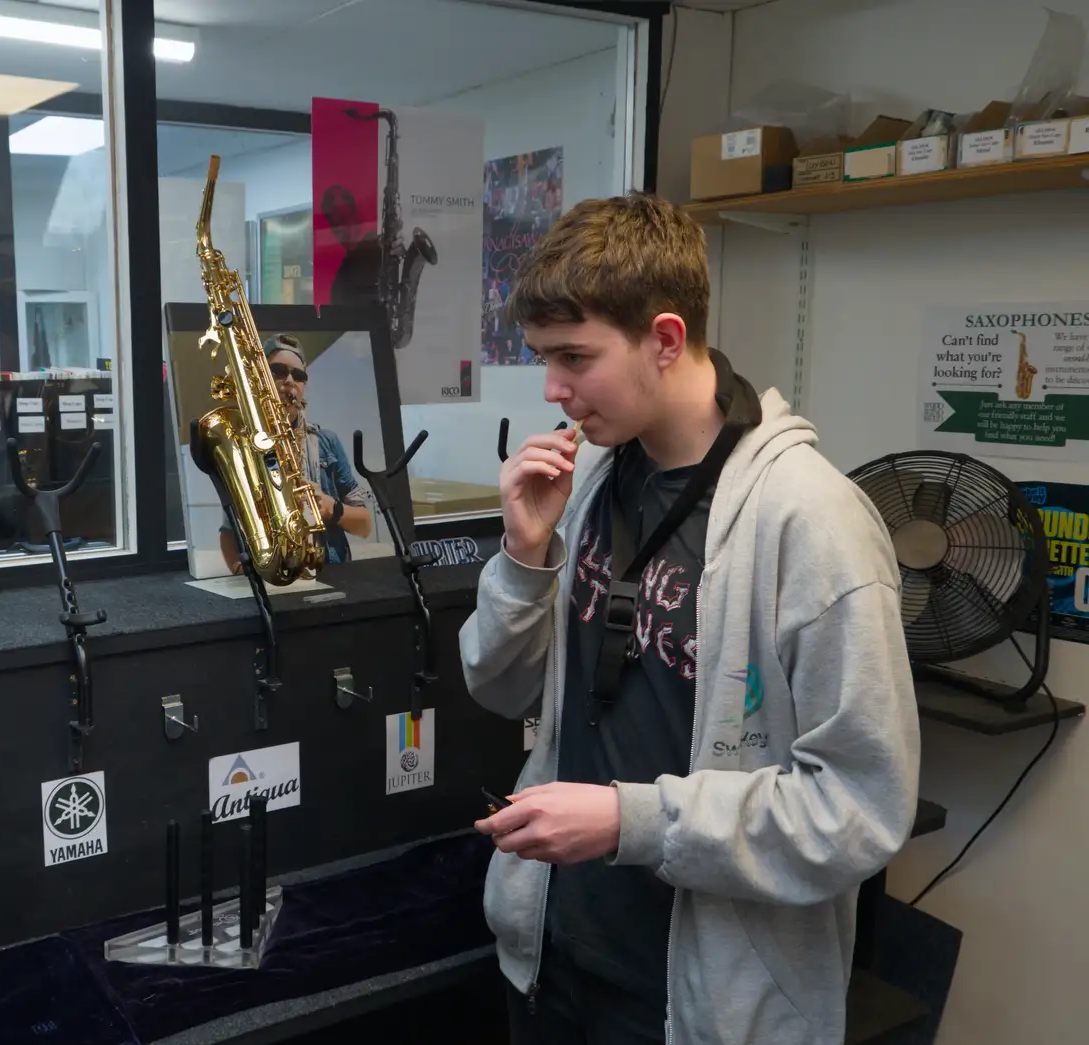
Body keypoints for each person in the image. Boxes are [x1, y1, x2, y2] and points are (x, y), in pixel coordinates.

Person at [459, 192, 920, 1045]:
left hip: (702, 1006)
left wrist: (630, 820)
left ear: (666, 340)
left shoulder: (812, 521)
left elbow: (860, 808)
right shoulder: (597, 478)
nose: (555, 392)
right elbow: (499, 685)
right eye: (541, 358)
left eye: (574, 357)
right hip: (551, 960)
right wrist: (525, 558)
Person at [219, 334, 373, 572]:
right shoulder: (246, 446)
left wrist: (333, 508)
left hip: (330, 573)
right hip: (274, 576)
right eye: (278, 371)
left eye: (299, 376)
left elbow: (364, 525)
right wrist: (242, 573)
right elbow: (229, 532)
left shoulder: (327, 442)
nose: (290, 381)